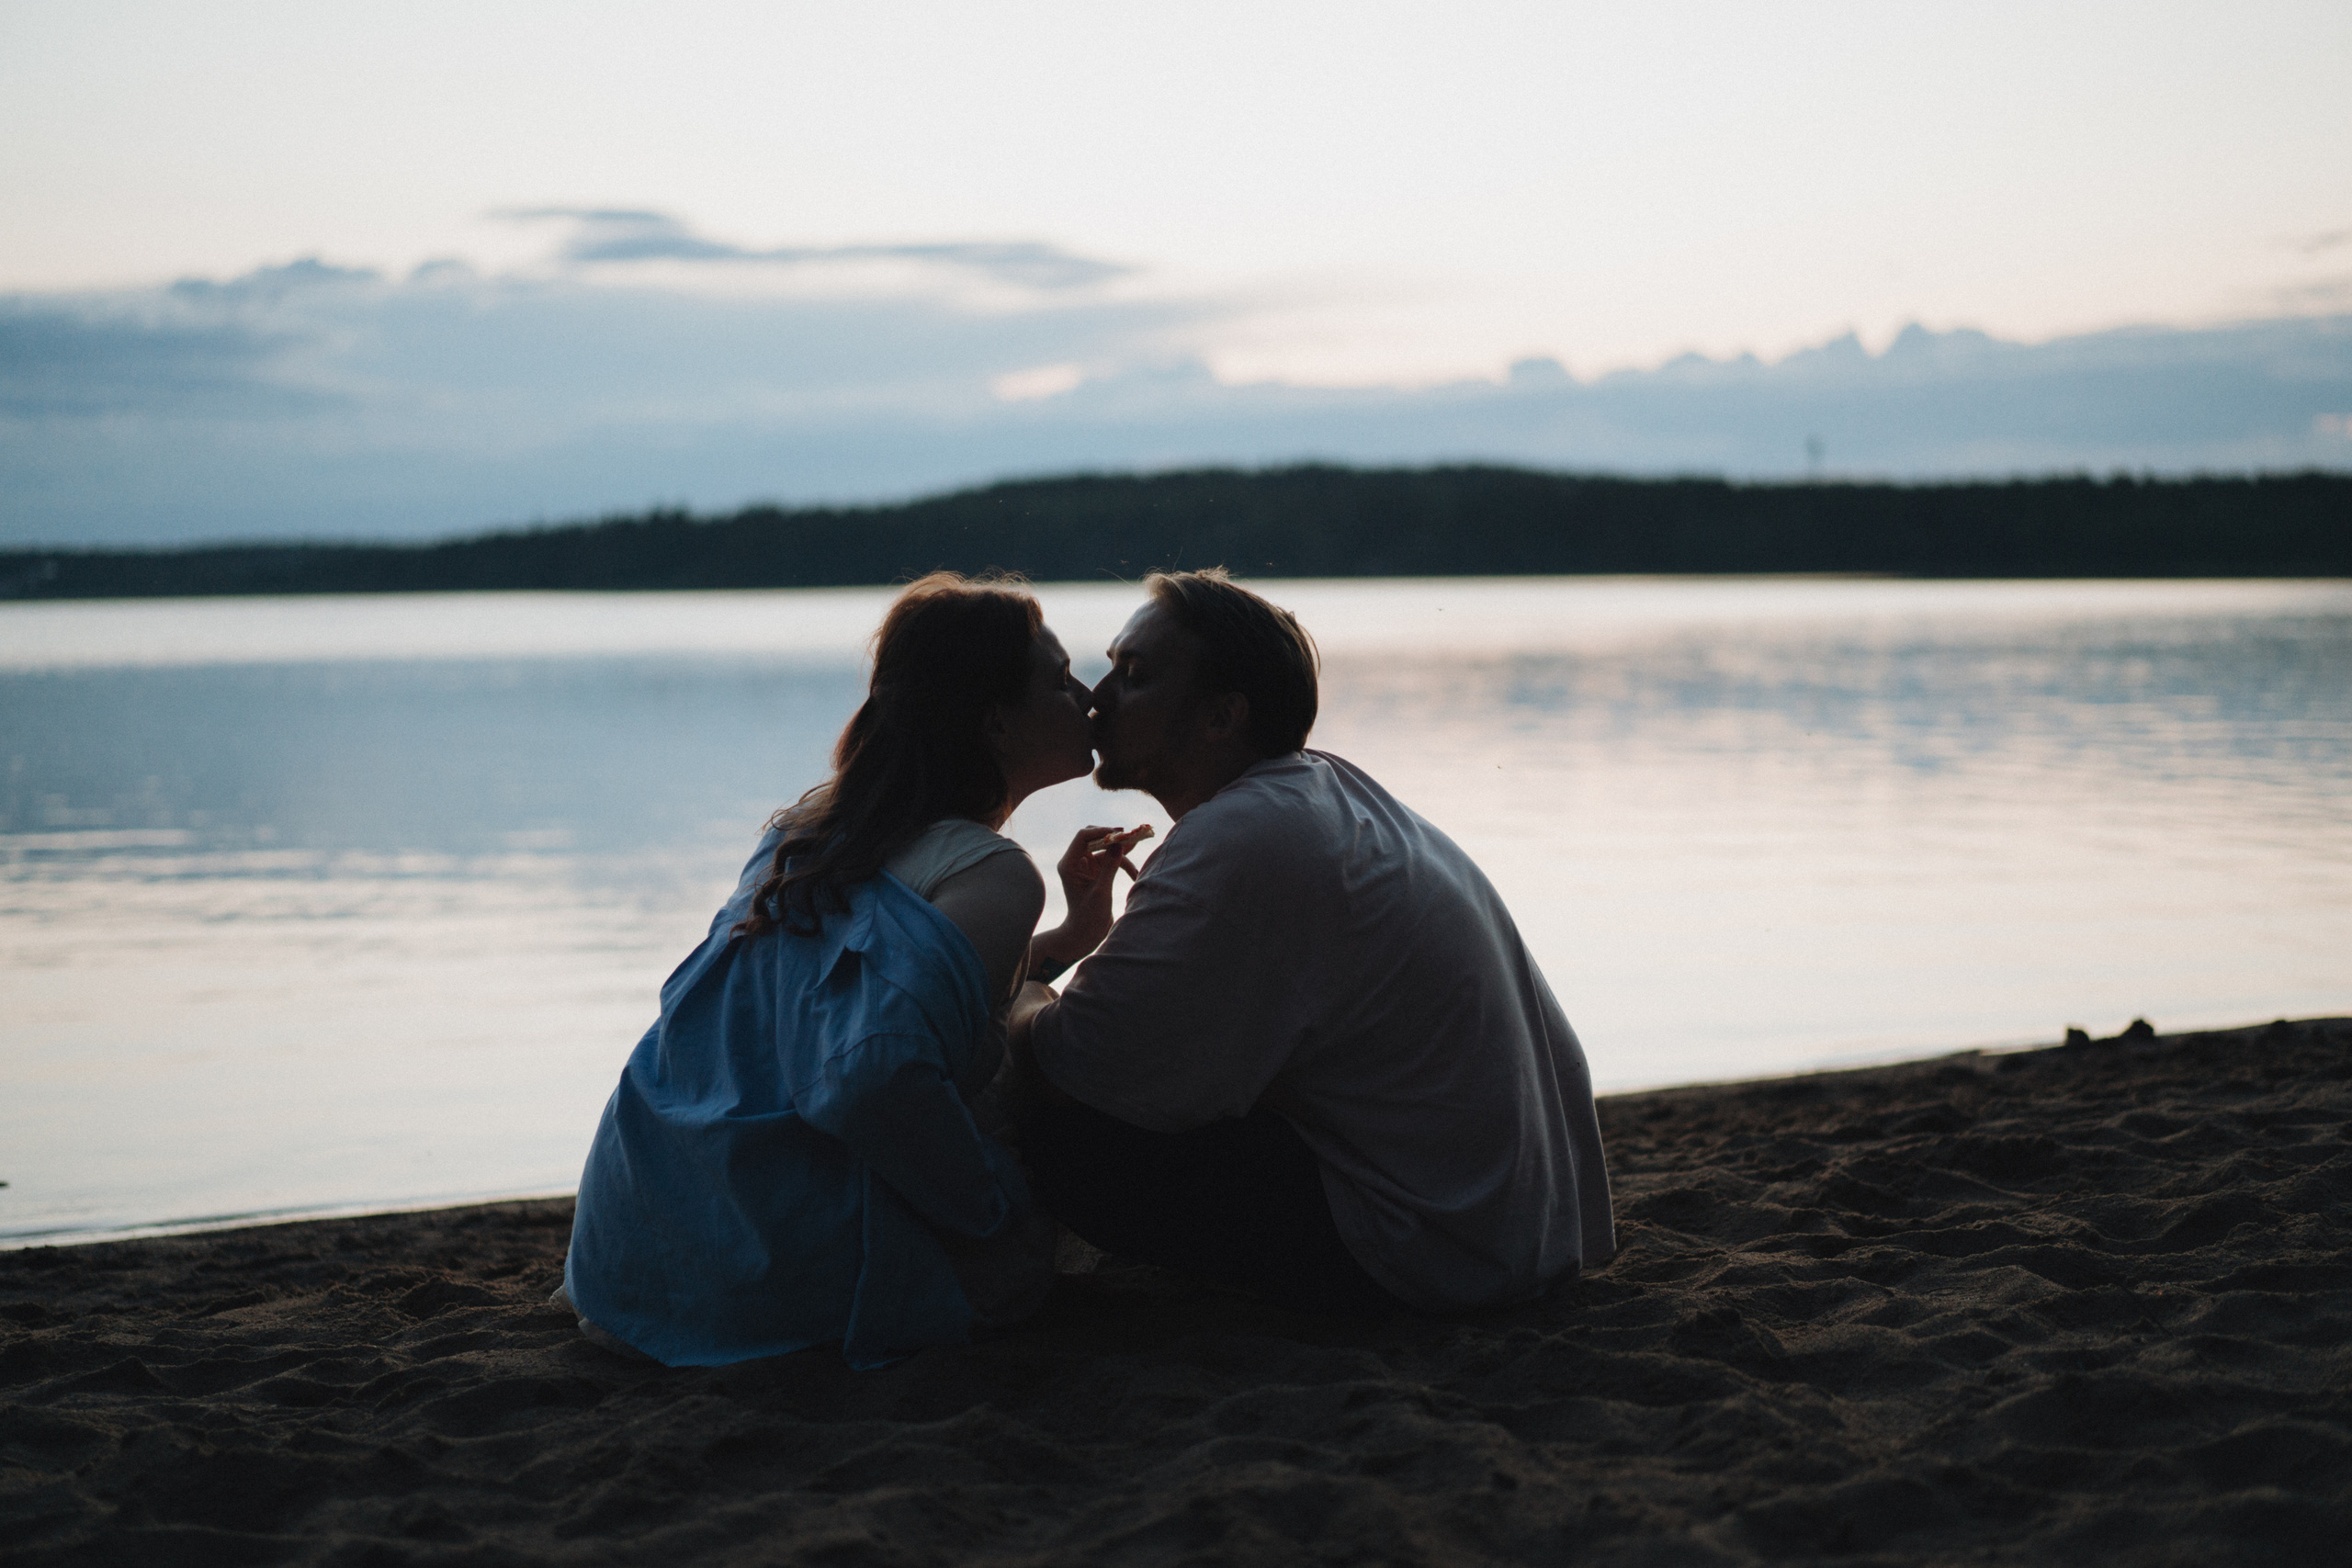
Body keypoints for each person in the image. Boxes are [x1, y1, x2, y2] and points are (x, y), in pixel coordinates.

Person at [561, 573, 1140, 1368]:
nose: (1087, 696)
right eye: (1060, 678)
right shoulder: (993, 871)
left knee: (1030, 1002)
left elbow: (860, 992)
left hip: (635, 1244)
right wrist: (994, 1214)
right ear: (996, 720)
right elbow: (869, 1078)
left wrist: (1073, 937)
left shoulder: (805, 831)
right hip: (761, 1269)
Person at [1008, 569, 1616, 1315]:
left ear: (1221, 716)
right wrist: (1078, 937)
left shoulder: (1242, 837)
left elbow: (1065, 1064)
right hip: (1517, 1229)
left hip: (1443, 1252)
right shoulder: (1323, 791)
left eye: (1133, 675)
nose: (1097, 697)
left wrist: (1019, 983)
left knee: (1057, 1133)